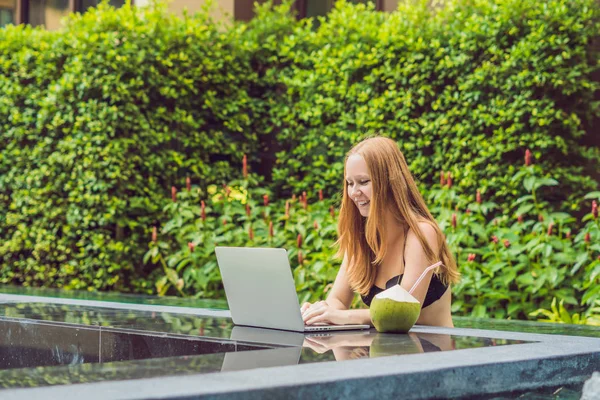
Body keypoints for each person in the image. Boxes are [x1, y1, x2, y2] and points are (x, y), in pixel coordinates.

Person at [301, 136, 460, 328]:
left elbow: (403, 312)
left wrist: (346, 316)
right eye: (350, 183)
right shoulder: (361, 238)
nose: (354, 192)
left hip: (433, 354)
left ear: (390, 182)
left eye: (363, 182)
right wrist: (320, 313)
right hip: (385, 355)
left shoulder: (421, 233)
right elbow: (338, 301)